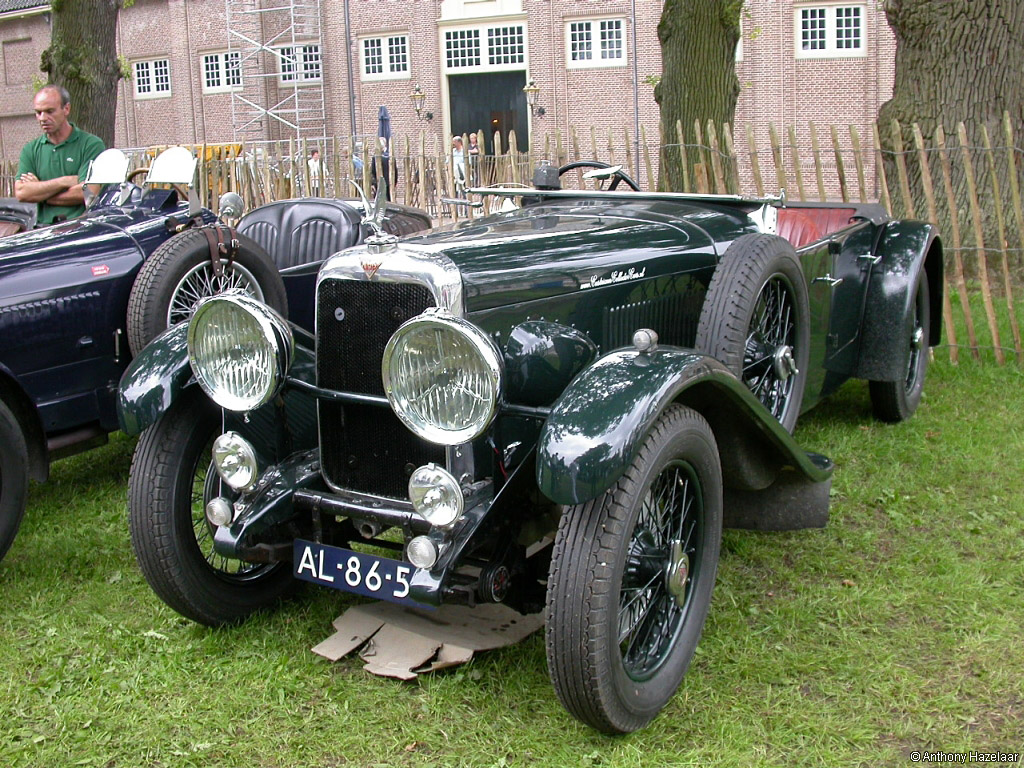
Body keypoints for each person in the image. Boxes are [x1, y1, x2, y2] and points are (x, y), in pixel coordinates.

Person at [15, 84, 105, 226]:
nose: (43, 118)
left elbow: (88, 193)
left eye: (50, 111)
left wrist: (40, 192)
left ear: (66, 109)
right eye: (38, 112)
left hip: (80, 227)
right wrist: (64, 181)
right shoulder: (30, 149)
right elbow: (22, 193)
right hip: (42, 230)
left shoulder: (90, 145)